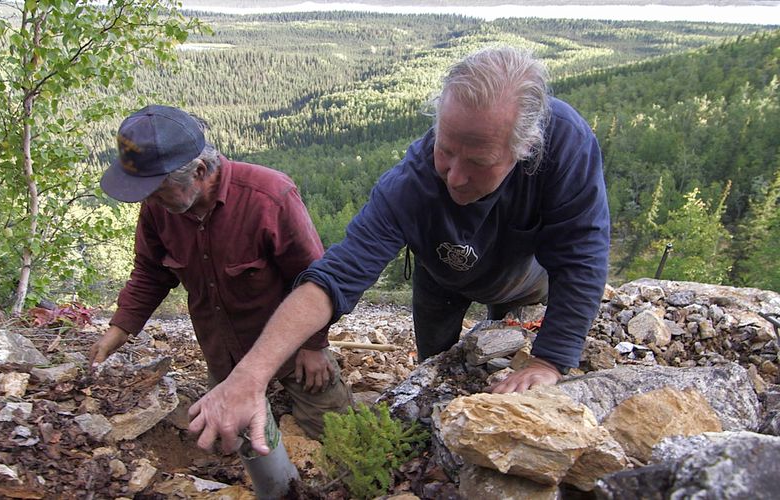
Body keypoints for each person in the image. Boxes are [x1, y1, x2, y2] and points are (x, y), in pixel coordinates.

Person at [188, 46, 610, 456]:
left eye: (479, 162)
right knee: (437, 364)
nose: (455, 178)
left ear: (525, 149)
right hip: (441, 277)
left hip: (522, 277)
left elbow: (582, 255)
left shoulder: (565, 144)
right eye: (445, 150)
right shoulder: (411, 184)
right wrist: (250, 375)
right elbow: (333, 277)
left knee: (513, 327)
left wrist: (549, 361)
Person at [88, 104, 353, 442]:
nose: (150, 201)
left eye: (157, 190)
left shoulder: (269, 197)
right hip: (223, 352)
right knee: (232, 446)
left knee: (338, 435)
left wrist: (315, 345)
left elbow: (315, 278)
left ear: (199, 171)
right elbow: (151, 272)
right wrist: (120, 328)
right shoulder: (158, 208)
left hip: (291, 348)